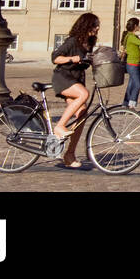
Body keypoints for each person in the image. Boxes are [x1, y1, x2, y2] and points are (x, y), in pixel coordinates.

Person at [50, 13, 99, 168]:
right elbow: (55, 57)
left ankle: (69, 154)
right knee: (84, 94)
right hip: (63, 77)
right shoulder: (72, 41)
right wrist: (72, 59)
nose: (97, 28)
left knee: (82, 114)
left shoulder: (89, 44)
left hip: (76, 79)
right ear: (86, 26)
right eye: (94, 25)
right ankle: (59, 126)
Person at [122, 20, 140, 108]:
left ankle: (125, 104)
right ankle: (132, 104)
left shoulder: (131, 36)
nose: (138, 26)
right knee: (137, 85)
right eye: (137, 25)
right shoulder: (130, 36)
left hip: (135, 63)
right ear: (135, 26)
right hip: (132, 64)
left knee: (131, 85)